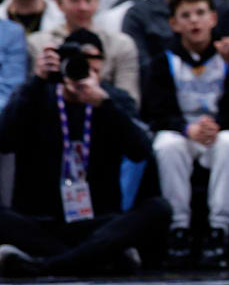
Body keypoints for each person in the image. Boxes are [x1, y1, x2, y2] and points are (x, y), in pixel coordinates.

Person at [0, 29, 170, 277]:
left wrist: (104, 105)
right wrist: (37, 80)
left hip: (98, 221)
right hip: (43, 220)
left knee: (158, 209)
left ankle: (49, 265)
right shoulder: (36, 95)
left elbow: (141, 152)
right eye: (75, 63)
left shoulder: (113, 99)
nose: (81, 71)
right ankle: (96, 258)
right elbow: (4, 140)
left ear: (100, 66)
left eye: (89, 63)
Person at [141, 0, 229, 269]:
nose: (194, 20)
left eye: (200, 13)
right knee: (166, 145)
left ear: (213, 18)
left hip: (218, 132)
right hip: (184, 133)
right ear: (174, 23)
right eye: (185, 15)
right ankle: (179, 229)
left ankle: (219, 230)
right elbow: (155, 112)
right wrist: (185, 128)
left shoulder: (228, 55)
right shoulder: (164, 59)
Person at [27, 0, 141, 106]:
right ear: (59, 4)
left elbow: (131, 103)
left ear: (97, 2)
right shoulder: (40, 44)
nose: (83, 7)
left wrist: (100, 94)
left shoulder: (120, 44)